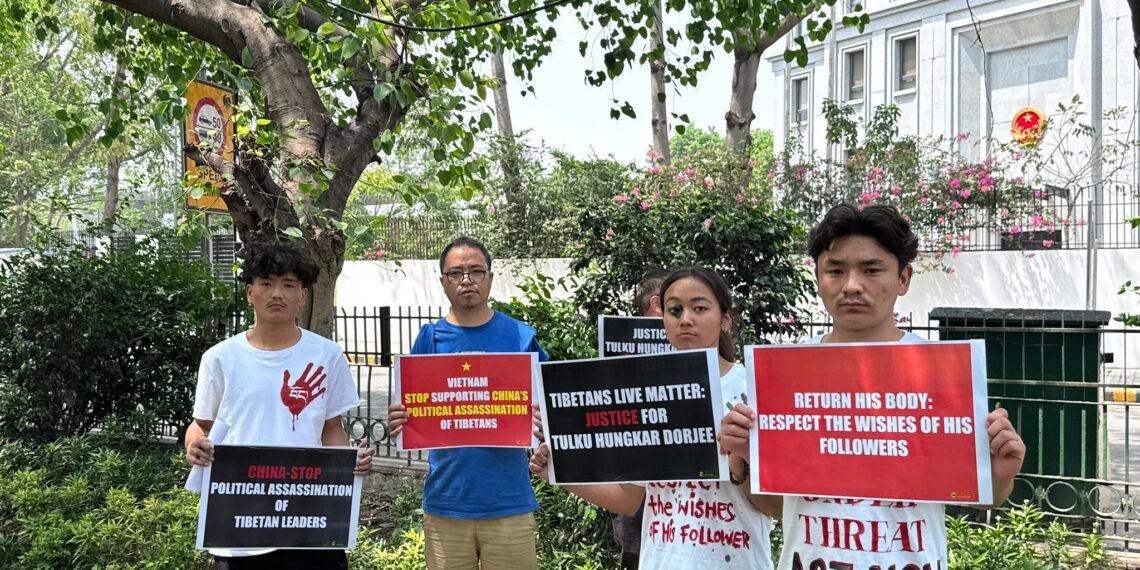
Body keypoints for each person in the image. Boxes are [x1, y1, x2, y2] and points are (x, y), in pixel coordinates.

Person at [719, 203, 1026, 570]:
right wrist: (747, 458)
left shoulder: (942, 374)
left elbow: (983, 496)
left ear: (903, 278)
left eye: (871, 269)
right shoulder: (783, 377)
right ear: (818, 278)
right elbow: (780, 509)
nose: (852, 285)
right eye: (835, 270)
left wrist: (998, 475)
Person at [531, 266, 776, 569]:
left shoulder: (754, 390)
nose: (685, 319)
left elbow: (776, 508)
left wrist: (743, 459)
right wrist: (558, 471)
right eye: (675, 310)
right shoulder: (648, 392)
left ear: (725, 318)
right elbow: (630, 498)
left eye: (699, 308)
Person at [184, 242, 374, 570]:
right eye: (266, 283)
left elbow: (331, 429)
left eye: (289, 285)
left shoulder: (327, 356)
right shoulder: (220, 358)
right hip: (238, 524)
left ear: (302, 295)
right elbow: (202, 426)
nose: (277, 294)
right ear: (250, 293)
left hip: (309, 520)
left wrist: (347, 463)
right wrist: (193, 446)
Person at [387, 236, 549, 570]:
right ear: (442, 282)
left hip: (509, 503)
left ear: (490, 277)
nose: (467, 281)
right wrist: (400, 421)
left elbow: (551, 405)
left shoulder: (520, 337)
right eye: (456, 273)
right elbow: (413, 410)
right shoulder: (429, 338)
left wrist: (544, 423)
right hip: (446, 502)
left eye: (476, 272)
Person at [611, 268, 670, 570]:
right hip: (637, 508)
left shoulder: (705, 359)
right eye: (676, 308)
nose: (686, 319)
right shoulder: (620, 360)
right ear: (658, 304)